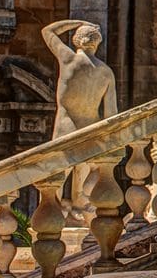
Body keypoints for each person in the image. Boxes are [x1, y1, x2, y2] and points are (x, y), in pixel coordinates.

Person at [43, 20, 117, 214]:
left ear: (76, 40)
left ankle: (54, 214)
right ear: (97, 43)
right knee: (85, 176)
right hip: (91, 130)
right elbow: (111, 113)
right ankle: (81, 208)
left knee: (56, 178)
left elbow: (48, 31)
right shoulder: (106, 72)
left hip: (65, 128)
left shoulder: (68, 59)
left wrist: (77, 22)